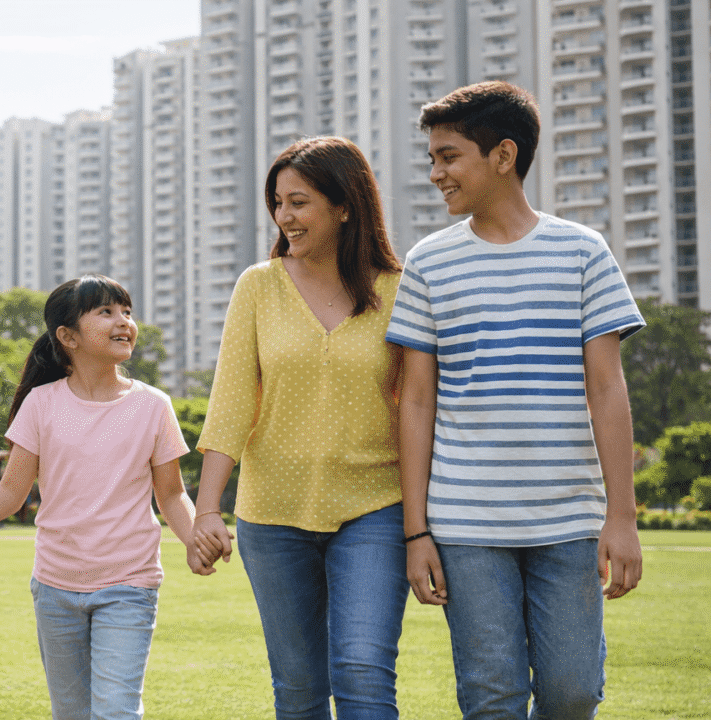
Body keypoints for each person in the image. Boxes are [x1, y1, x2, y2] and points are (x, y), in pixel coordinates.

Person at [387, 81, 644, 719]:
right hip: (467, 524)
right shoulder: (427, 263)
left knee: (574, 690)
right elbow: (414, 402)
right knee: (492, 696)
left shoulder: (583, 252)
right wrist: (416, 529)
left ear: (503, 156)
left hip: (569, 521)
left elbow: (608, 389)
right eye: (432, 159)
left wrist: (624, 517)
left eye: (448, 157)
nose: (435, 173)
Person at [0, 274, 204, 720]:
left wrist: (194, 538)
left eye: (126, 311)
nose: (123, 321)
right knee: (70, 712)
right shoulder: (41, 404)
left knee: (116, 711)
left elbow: (171, 495)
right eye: (106, 312)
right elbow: (10, 493)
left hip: (129, 584)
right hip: (56, 587)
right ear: (67, 336)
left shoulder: (154, 406)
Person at [191, 136, 408, 718]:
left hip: (376, 507)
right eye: (278, 203)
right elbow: (232, 401)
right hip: (272, 516)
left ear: (344, 206)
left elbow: (415, 407)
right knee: (299, 689)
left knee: (363, 672)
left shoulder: (398, 289)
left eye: (299, 202)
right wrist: (206, 509)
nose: (284, 217)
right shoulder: (258, 286)